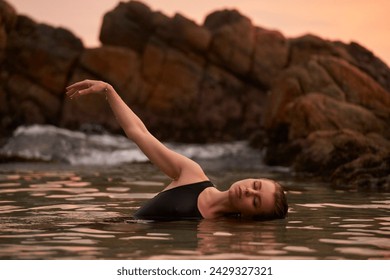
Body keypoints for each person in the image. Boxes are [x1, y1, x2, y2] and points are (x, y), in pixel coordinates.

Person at [66, 80, 288, 221]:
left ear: (251, 216)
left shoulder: (220, 236)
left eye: (256, 201)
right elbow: (140, 133)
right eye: (256, 185)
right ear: (251, 178)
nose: (249, 191)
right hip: (103, 234)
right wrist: (108, 90)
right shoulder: (192, 174)